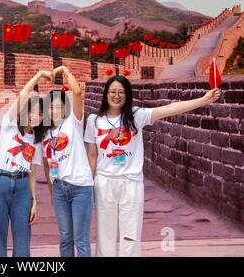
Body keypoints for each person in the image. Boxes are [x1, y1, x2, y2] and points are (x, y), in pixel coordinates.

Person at [84, 75, 220, 257]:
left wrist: (203, 99)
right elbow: (92, 155)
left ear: (127, 95)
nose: (116, 96)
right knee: (105, 236)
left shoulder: (136, 116)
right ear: (106, 94)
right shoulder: (94, 120)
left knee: (130, 236)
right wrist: (88, 185)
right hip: (104, 182)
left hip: (130, 183)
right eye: (112, 92)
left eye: (121, 92)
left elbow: (169, 109)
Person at [0, 70, 51, 257]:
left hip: (22, 188)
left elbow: (32, 172)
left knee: (23, 240)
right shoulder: (9, 124)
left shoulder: (37, 141)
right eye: (31, 111)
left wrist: (34, 200)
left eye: (39, 114)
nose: (34, 116)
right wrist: (38, 76)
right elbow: (23, 95)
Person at [42, 66, 94, 257]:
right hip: (59, 190)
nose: (54, 109)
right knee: (65, 237)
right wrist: (52, 191)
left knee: (80, 239)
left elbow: (78, 92)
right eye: (50, 106)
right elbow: (47, 165)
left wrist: (64, 70)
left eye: (59, 105)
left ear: (65, 107)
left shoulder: (73, 122)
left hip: (80, 187)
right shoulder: (44, 133)